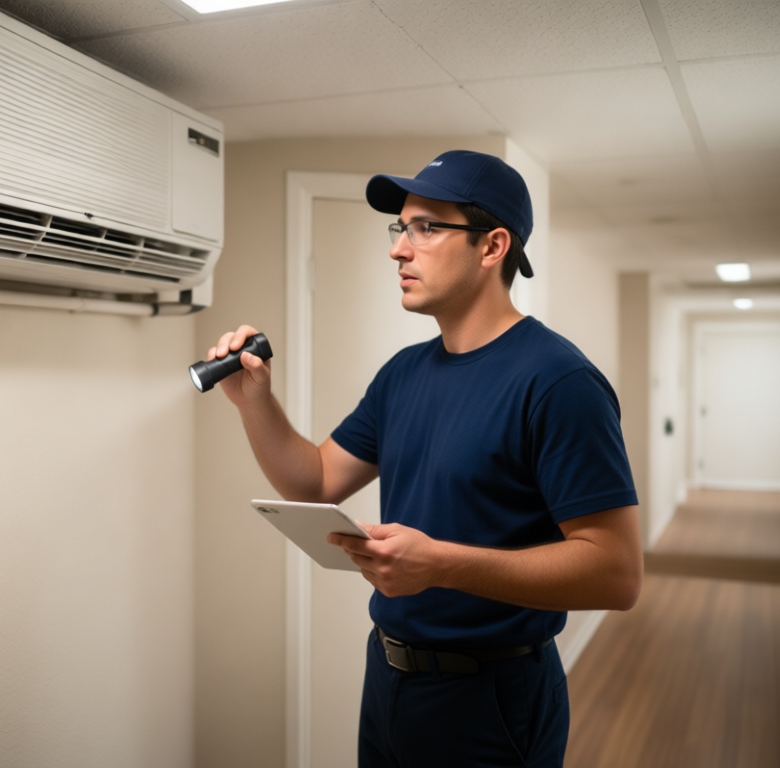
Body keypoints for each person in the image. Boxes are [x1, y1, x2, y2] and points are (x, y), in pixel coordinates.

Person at [206, 150, 643, 767]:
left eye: (427, 228)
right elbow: (317, 480)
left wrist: (440, 564)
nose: (398, 250)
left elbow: (617, 574)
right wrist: (254, 402)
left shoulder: (558, 381)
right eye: (400, 228)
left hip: (491, 695)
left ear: (493, 247)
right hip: (388, 674)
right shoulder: (403, 374)